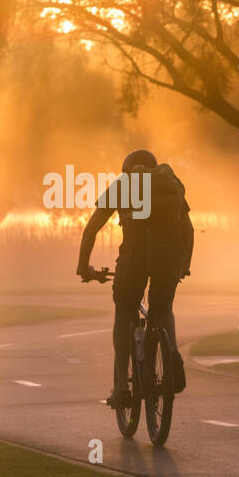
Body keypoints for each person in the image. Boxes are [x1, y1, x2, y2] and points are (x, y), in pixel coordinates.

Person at [77, 149, 194, 408]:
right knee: (163, 310)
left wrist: (83, 267)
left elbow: (91, 230)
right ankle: (172, 354)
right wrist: (184, 264)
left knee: (124, 312)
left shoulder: (122, 185)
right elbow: (188, 229)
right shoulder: (170, 184)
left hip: (133, 261)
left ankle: (121, 388)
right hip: (168, 259)